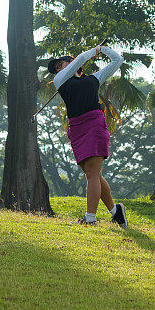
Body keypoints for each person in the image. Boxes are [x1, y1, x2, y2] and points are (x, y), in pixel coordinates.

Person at [47, 44, 127, 227]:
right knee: (94, 173)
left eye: (61, 64)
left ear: (72, 63)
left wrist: (103, 49)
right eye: (56, 67)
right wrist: (95, 51)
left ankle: (90, 219)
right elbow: (82, 59)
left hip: (94, 124)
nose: (58, 69)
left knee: (92, 173)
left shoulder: (94, 79)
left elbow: (118, 60)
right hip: (76, 128)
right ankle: (116, 212)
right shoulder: (60, 80)